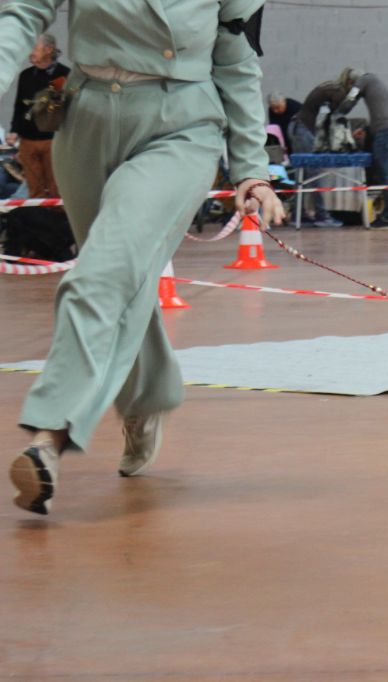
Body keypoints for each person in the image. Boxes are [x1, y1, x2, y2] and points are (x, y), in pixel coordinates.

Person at [0, 0, 286, 515]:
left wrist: (251, 167)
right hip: (84, 123)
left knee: (101, 273)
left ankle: (49, 434)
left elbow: (237, 61)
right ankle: (146, 397)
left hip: (181, 127)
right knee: (120, 275)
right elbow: (21, 12)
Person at [334, 67, 388, 230]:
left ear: (352, 81)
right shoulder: (379, 84)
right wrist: (366, 129)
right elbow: (385, 112)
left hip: (386, 134)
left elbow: (350, 99)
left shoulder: (364, 79)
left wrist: (337, 113)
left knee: (386, 177)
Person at [7, 33, 69, 199]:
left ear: (48, 49)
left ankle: (58, 216)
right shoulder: (26, 75)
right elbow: (19, 106)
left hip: (53, 141)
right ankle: (36, 216)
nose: (30, 52)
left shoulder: (64, 74)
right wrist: (14, 130)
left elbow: (69, 110)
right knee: (34, 190)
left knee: (56, 187)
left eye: (34, 48)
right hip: (27, 141)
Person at [288, 79, 348, 226]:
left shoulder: (329, 88)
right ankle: (321, 215)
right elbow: (335, 120)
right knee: (313, 172)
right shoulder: (339, 92)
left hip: (297, 126)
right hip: (303, 129)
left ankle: (298, 214)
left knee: (302, 174)